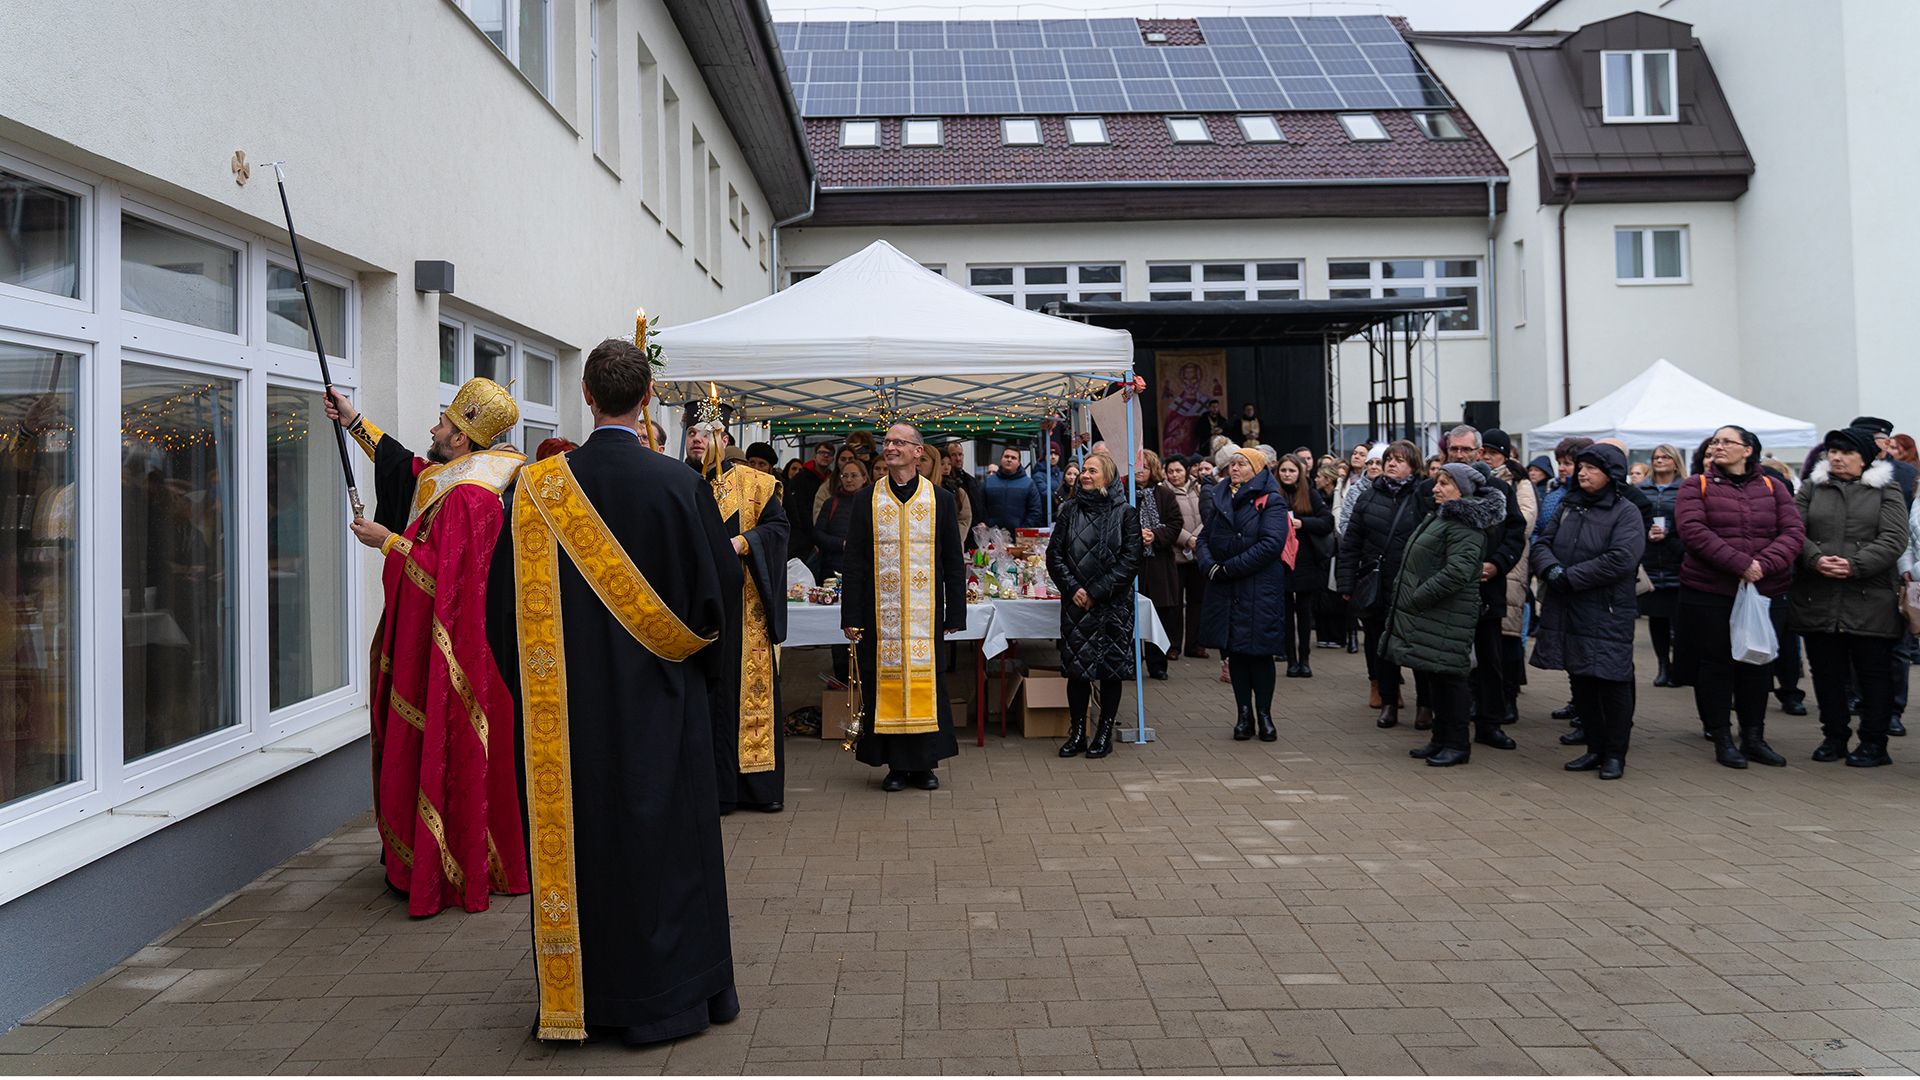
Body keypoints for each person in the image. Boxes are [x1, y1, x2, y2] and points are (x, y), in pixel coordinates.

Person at [503, 338, 739, 1044]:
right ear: (648, 398)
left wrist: (536, 688)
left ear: (585, 394)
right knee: (668, 850)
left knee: (587, 850)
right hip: (665, 707)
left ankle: (587, 996)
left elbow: (498, 612)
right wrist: (704, 688)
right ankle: (678, 996)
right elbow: (717, 603)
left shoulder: (535, 491)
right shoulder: (679, 485)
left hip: (566, 719)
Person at [325, 379, 530, 918]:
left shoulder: (473, 495)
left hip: (462, 650)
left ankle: (446, 863)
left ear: (463, 439)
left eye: (443, 423)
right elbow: (411, 470)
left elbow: (447, 577)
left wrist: (387, 540)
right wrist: (353, 422)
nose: (434, 430)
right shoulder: (461, 476)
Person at [841, 422, 968, 792]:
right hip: (878, 615)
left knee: (927, 685)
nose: (890, 447)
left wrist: (955, 613)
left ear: (918, 452)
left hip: (924, 615)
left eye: (899, 442)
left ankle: (925, 765)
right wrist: (850, 616)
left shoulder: (939, 500)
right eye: (887, 442)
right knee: (887, 686)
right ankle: (896, 766)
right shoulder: (867, 498)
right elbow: (856, 563)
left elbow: (953, 561)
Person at [1672, 425, 1803, 769]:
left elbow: (1793, 532)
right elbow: (1693, 532)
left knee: (1758, 664)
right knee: (1716, 665)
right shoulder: (1694, 486)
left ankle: (1754, 739)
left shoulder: (1774, 486)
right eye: (1715, 441)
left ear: (1748, 450)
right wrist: (1742, 564)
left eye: (1727, 441)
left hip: (1765, 591)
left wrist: (1763, 565)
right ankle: (1722, 738)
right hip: (1711, 592)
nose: (1718, 447)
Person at [684, 401, 789, 815]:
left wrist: (743, 543)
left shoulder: (755, 484)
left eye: (705, 432)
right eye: (691, 432)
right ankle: (714, 790)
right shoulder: (673, 480)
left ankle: (756, 788)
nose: (697, 438)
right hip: (696, 611)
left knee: (746, 692)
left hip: (747, 607)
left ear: (724, 440)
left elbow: (778, 528)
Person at [1793, 425, 1910, 767]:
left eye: (1846, 452)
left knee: (1873, 672)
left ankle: (1874, 743)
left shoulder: (1886, 489)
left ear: (1865, 458)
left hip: (1869, 596)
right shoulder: (1812, 488)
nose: (1837, 458)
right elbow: (1793, 530)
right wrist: (1815, 559)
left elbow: (1893, 538)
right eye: (1833, 452)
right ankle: (1834, 737)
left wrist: (1854, 565)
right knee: (1826, 672)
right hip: (1818, 593)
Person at [1532, 443, 1645, 781]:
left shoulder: (1626, 511)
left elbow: (1622, 559)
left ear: (1611, 474)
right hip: (1570, 607)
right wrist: (1550, 569)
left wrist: (1570, 577)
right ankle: (1594, 749)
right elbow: (1541, 543)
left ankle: (1614, 755)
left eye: (1591, 468)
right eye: (1580, 467)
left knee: (1612, 682)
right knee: (1580, 679)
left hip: (1607, 610)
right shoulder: (1569, 504)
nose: (1581, 473)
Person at [1381, 463, 1507, 766]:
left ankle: (1458, 744)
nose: (1435, 488)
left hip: (1446, 612)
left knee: (1451, 678)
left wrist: (1418, 595)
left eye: (1444, 484)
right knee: (1436, 675)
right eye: (1437, 482)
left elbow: (1460, 571)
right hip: (1433, 612)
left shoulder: (1466, 523)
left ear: (1462, 490)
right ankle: (1440, 739)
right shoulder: (1443, 515)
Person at [1046, 452, 1142, 757]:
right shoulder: (1069, 510)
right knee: (1077, 670)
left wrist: (1096, 592)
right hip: (1077, 604)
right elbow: (1054, 555)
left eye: (1092, 471)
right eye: (1082, 470)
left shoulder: (1125, 513)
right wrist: (1073, 588)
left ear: (1109, 476)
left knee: (1110, 670)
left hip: (1113, 606)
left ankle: (1104, 732)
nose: (1084, 475)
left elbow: (1130, 561)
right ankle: (1078, 733)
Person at [1198, 447, 1290, 742]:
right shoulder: (1219, 495)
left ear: (1258, 470)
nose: (1233, 468)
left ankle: (1265, 714)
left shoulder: (1272, 500)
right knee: (1235, 653)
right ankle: (1243, 716)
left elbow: (1271, 545)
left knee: (1260, 653)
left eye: (1241, 464)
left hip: (1259, 588)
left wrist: (1228, 569)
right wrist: (1209, 566)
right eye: (1232, 464)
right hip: (1226, 587)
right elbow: (1203, 538)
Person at [1338, 441, 1430, 728]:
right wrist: (1345, 583)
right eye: (1388, 459)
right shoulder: (1368, 497)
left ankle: (1426, 706)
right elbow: (1351, 543)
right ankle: (1389, 703)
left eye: (1399, 460)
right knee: (1382, 646)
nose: (1390, 464)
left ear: (1413, 466)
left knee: (1418, 648)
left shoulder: (1425, 496)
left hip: (1415, 586)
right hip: (1376, 583)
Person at [1479, 428, 1537, 730]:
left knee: (1510, 634)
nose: (1487, 456)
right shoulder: (1473, 477)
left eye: (1493, 452)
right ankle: (1485, 698)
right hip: (1481, 564)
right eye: (1483, 450)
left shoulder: (1518, 481)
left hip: (1509, 566)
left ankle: (1509, 697)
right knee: (1486, 638)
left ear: (1505, 454)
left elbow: (1525, 520)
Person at [1274, 454, 1332, 677]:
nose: (1287, 474)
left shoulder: (1310, 493)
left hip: (1306, 561)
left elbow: (1327, 522)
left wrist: (1302, 522)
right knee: (1286, 613)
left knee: (1305, 613)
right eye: (1284, 470)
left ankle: (1305, 659)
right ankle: (1290, 660)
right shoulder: (1272, 494)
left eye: (1292, 470)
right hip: (1281, 562)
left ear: (1300, 473)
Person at [1636, 444, 1688, 688]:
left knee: (1680, 621)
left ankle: (1680, 667)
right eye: (1656, 457)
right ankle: (1663, 665)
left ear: (1675, 462)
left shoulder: (1686, 489)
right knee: (1657, 619)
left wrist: (1671, 534)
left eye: (1665, 457)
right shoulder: (1640, 490)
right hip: (1650, 562)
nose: (1659, 461)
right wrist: (1646, 532)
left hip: (1677, 560)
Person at [1133, 450, 1181, 680]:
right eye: (1136, 467)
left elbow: (1175, 524)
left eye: (1144, 467)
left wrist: (1155, 535)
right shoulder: (1122, 494)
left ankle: (1158, 664)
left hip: (1159, 563)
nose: (1140, 472)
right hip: (1132, 564)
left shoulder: (1165, 495)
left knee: (1160, 615)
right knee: (1129, 614)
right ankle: (1129, 662)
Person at [1163, 455, 1208, 660]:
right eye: (1171, 471)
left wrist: (1197, 537)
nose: (1174, 475)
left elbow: (1208, 515)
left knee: (1197, 601)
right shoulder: (1163, 492)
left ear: (1187, 471)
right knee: (1174, 603)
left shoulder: (1199, 489)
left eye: (1178, 471)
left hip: (1198, 554)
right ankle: (1173, 646)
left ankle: (1194, 644)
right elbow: (1166, 522)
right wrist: (1186, 539)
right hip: (1175, 555)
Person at [809, 457, 870, 581]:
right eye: (845, 476)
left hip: (863, 568)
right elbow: (817, 534)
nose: (849, 480)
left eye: (854, 476)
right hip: (831, 570)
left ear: (864, 478)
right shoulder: (831, 503)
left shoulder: (872, 503)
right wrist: (841, 544)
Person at [786, 440, 836, 564]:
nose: (825, 456)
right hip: (804, 536)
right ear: (814, 456)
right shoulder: (801, 478)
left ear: (832, 459)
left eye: (829, 454)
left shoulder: (832, 480)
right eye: (822, 453)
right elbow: (799, 508)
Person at [979, 446, 1044, 530]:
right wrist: (986, 524)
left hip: (1018, 538)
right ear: (1001, 459)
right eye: (1006, 456)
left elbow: (1035, 511)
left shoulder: (1028, 484)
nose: (1009, 460)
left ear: (1019, 463)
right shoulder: (988, 482)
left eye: (1013, 458)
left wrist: (1023, 530)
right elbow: (980, 505)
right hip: (992, 536)